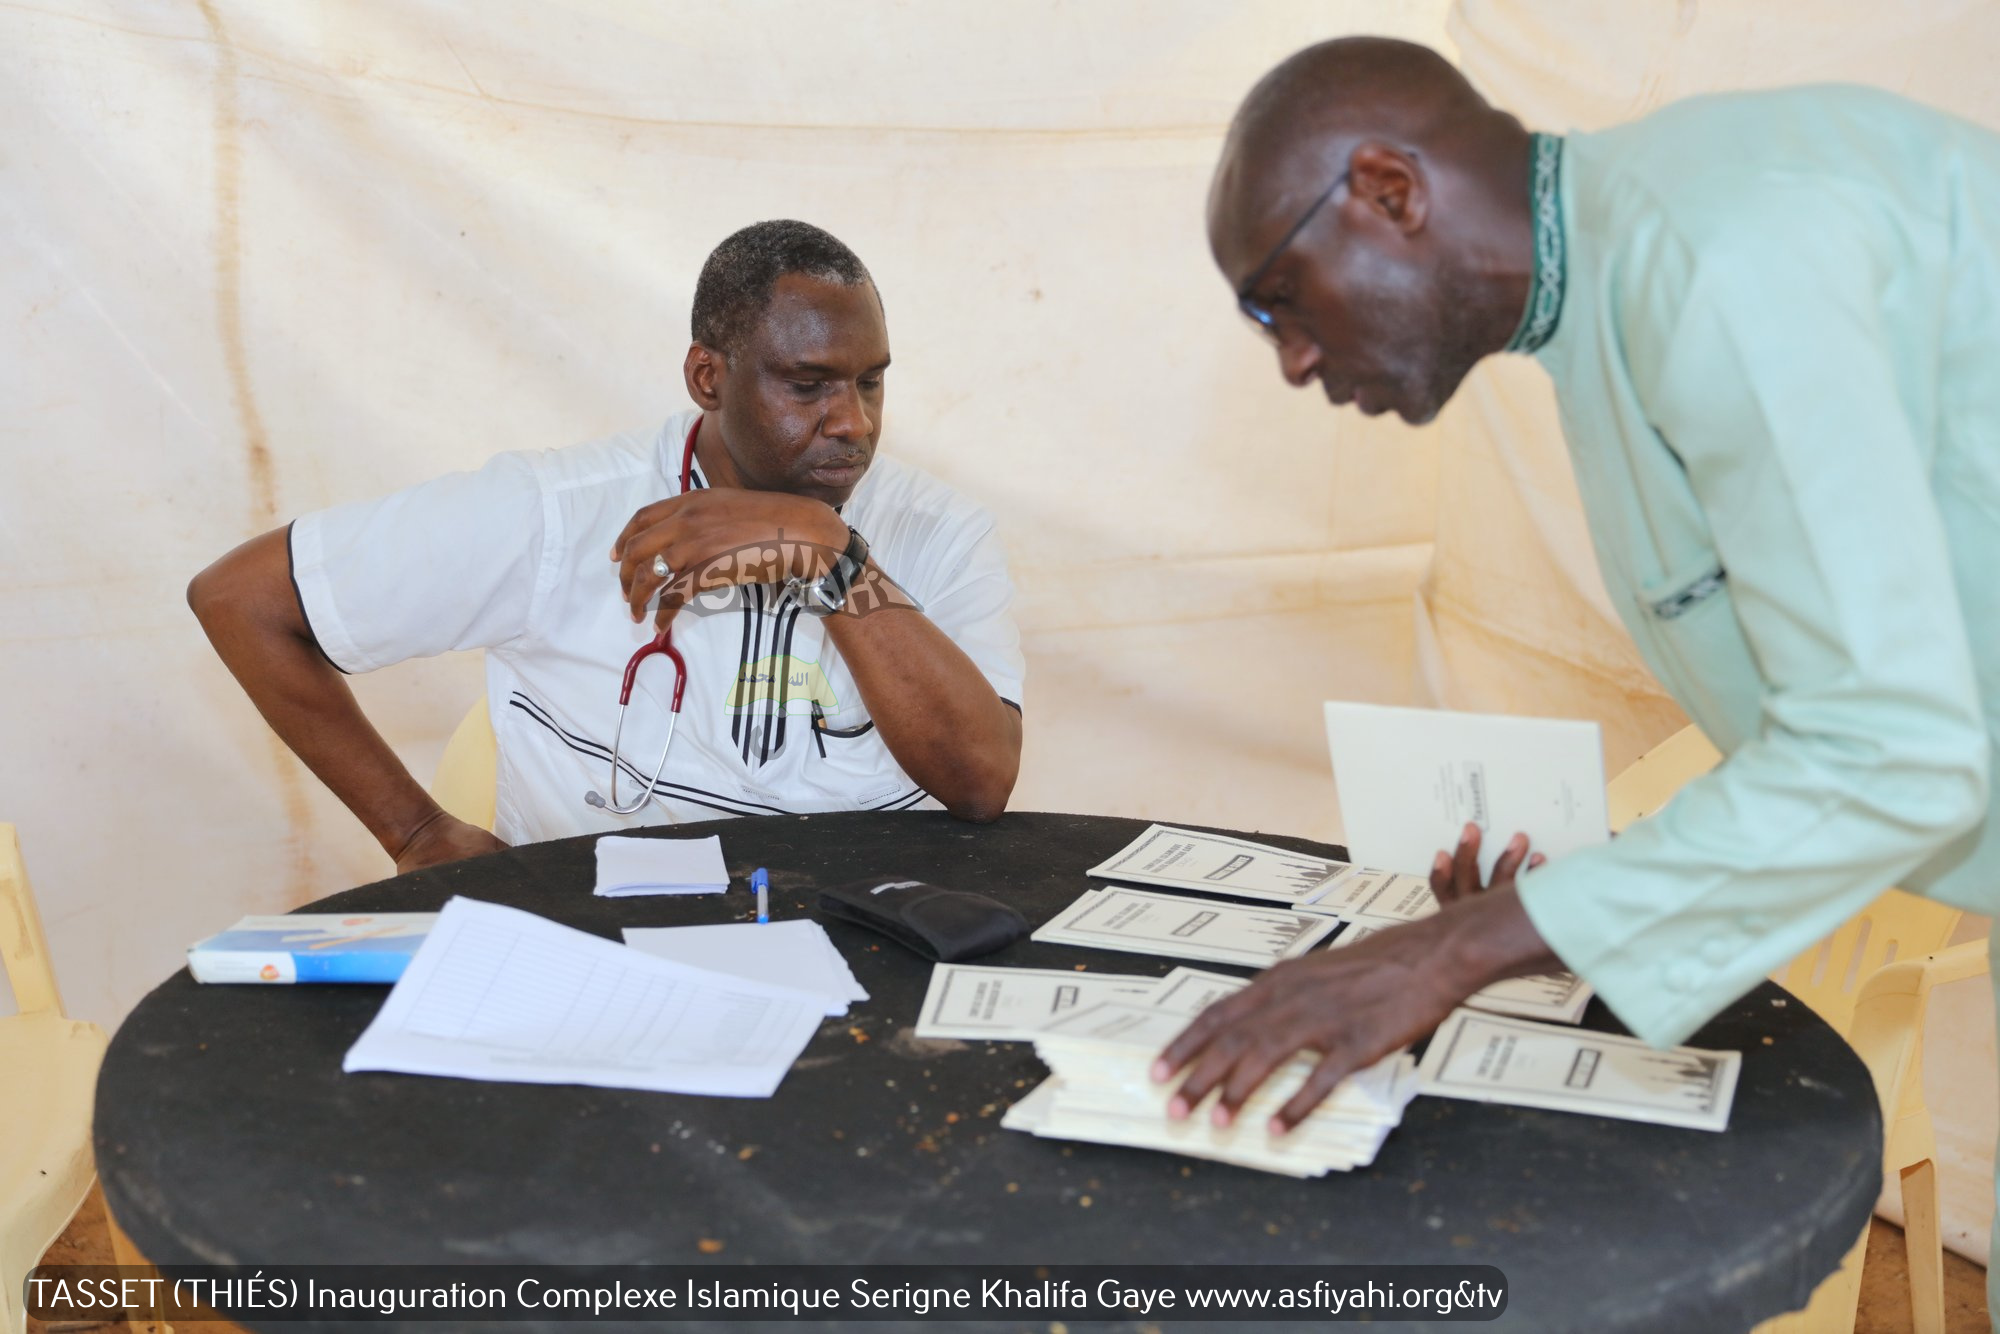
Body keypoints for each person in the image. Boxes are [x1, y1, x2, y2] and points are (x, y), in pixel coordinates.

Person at [1157, 33, 2000, 1279]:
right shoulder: (1614, 297)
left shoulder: (1713, 261)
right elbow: (1839, 718)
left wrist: (1462, 944)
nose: (1290, 357)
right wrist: (1555, 916)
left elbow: (1893, 749)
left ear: (1389, 191)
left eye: (1275, 298)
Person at [189, 220, 1025, 873]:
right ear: (708, 377)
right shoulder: (558, 513)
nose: (854, 423)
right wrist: (414, 830)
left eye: (870, 381)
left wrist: (833, 555)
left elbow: (980, 783)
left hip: (870, 961)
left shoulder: (939, 530)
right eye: (808, 387)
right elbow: (243, 598)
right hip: (608, 951)